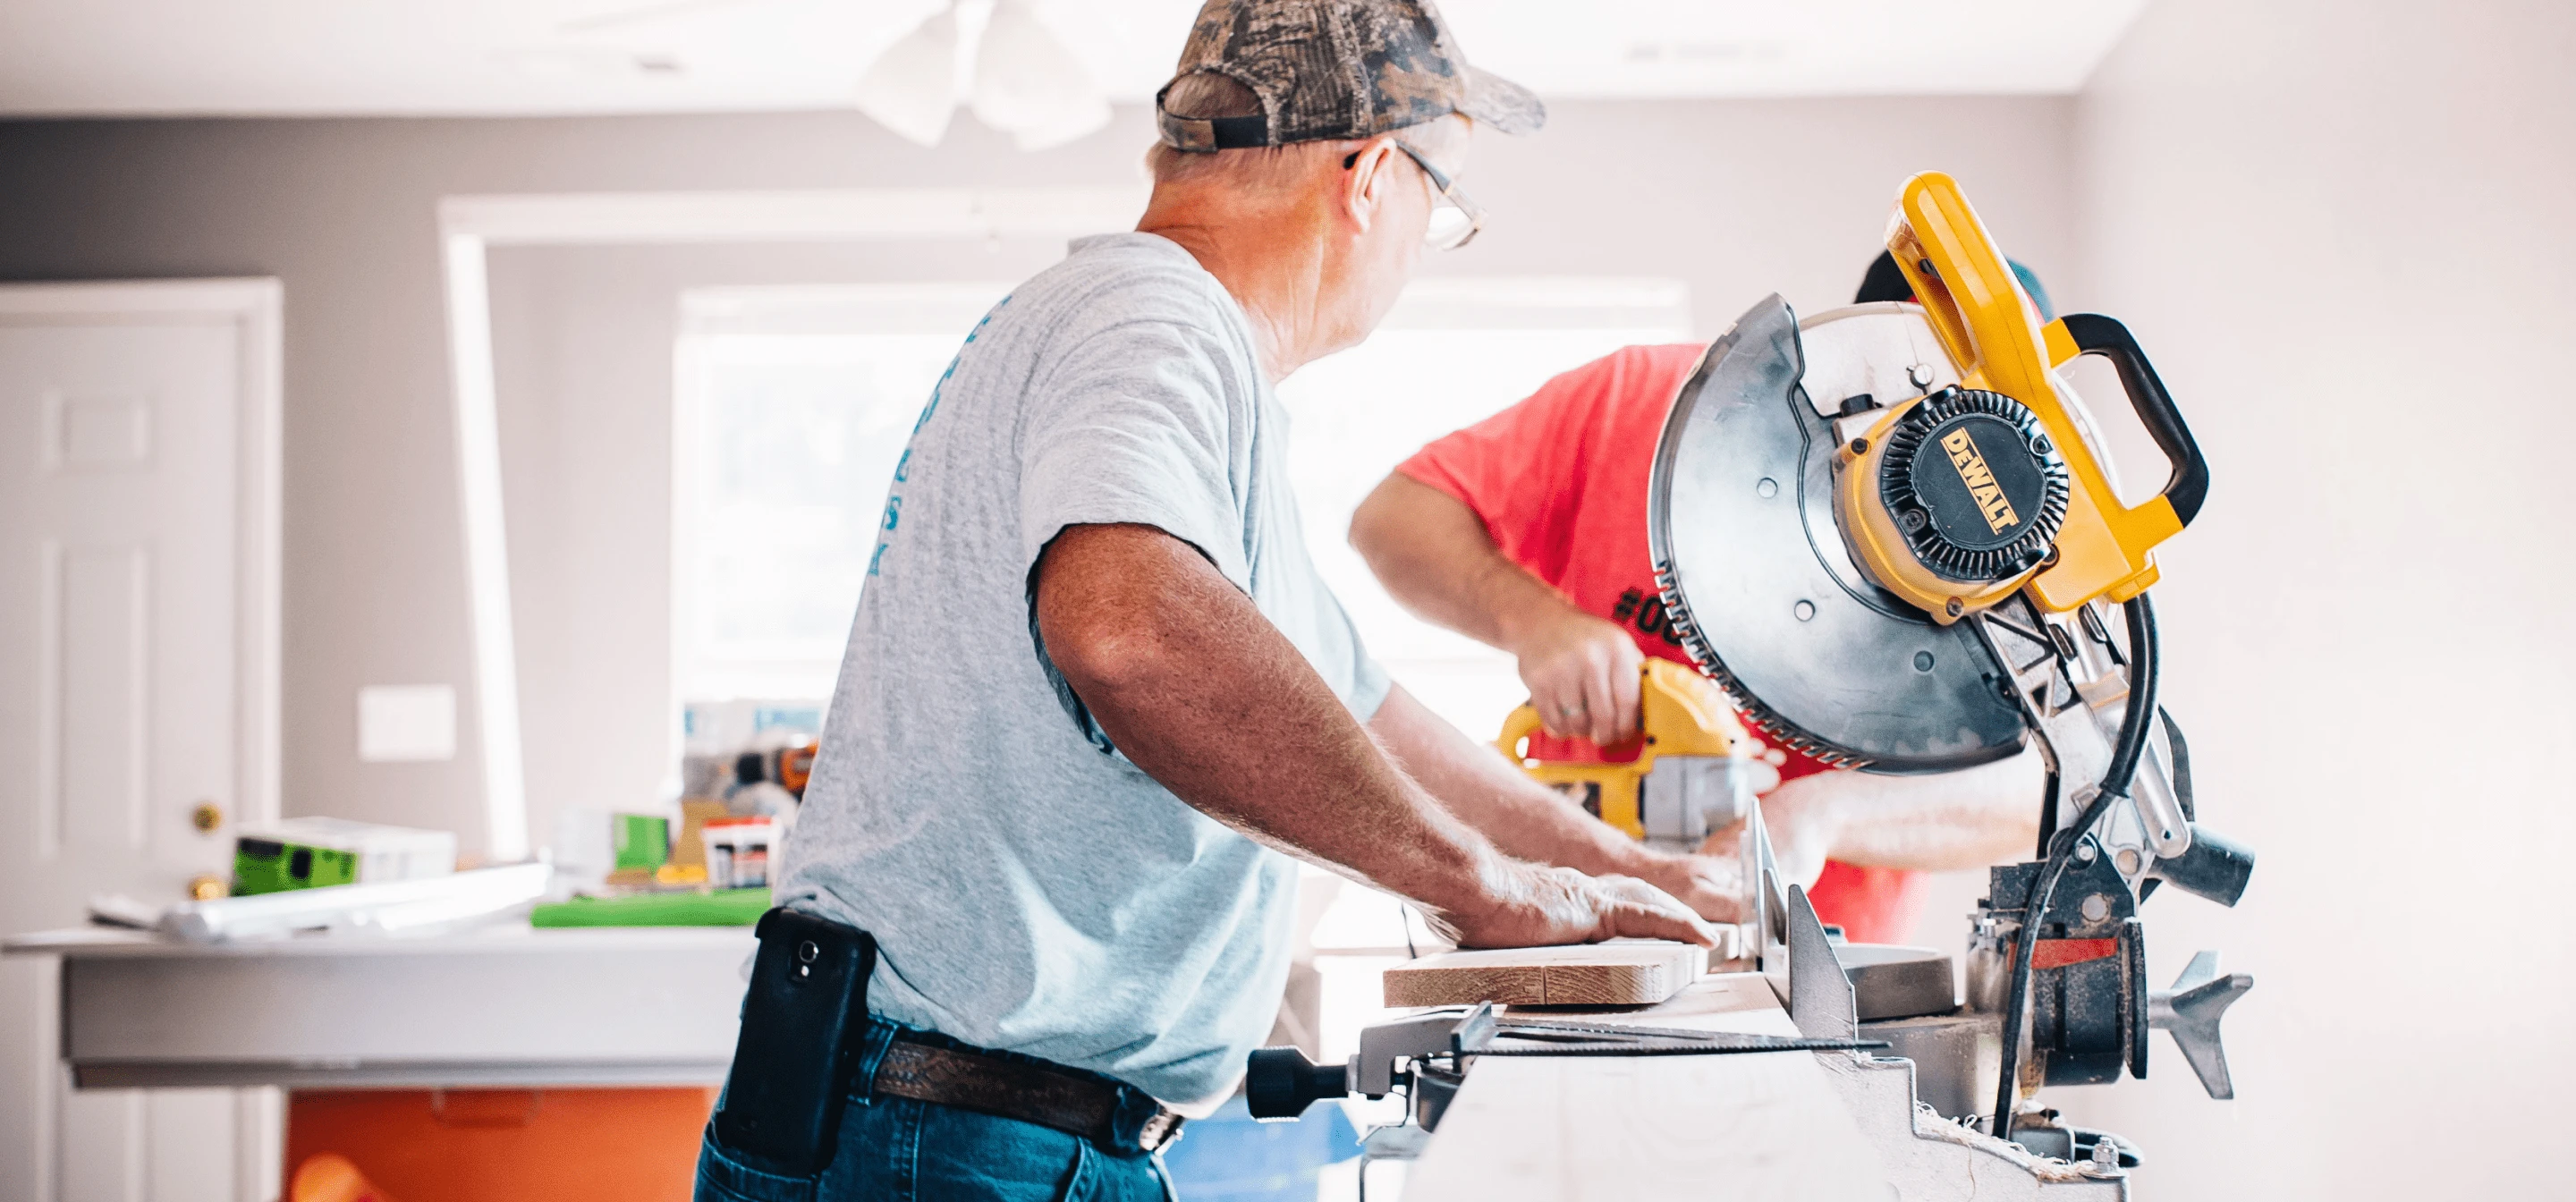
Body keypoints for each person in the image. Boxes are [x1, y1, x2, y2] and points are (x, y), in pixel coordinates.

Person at [699, 4, 1741, 1198]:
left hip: (970, 1121)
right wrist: (1478, 888)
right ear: (1370, 175)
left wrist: (1627, 874)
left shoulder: (1169, 361)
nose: (1425, 239)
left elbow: (1375, 717)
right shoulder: (1152, 319)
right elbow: (1132, 635)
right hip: (952, 1132)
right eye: (1441, 204)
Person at [1347, 254, 2060, 946]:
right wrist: (1534, 620)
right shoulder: (1640, 400)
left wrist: (1824, 812)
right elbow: (1393, 518)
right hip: (1573, 926)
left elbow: (2048, 791)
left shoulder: (2011, 552)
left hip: (1819, 973)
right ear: (1848, 341)